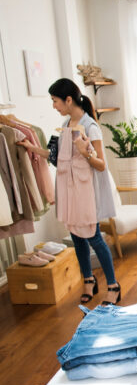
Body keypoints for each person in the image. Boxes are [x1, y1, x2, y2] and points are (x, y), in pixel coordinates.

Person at [16, 78, 121, 305]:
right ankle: (88, 280)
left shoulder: (90, 127)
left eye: (55, 101)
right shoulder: (65, 126)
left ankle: (113, 285)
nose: (53, 105)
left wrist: (86, 153)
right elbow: (55, 157)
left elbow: (101, 165)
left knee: (93, 238)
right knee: (76, 237)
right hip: (70, 192)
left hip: (86, 194)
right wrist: (32, 148)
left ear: (68, 99)